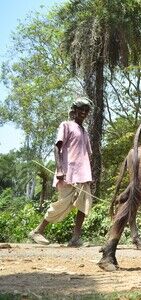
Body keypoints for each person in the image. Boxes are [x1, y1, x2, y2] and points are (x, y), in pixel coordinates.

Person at [29, 97, 94, 247]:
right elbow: (57, 147)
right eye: (81, 109)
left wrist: (89, 175)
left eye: (86, 110)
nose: (83, 112)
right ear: (74, 111)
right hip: (68, 173)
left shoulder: (85, 132)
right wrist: (59, 169)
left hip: (83, 175)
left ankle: (75, 238)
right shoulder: (66, 125)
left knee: (84, 205)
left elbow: (86, 154)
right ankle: (38, 231)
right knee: (63, 204)